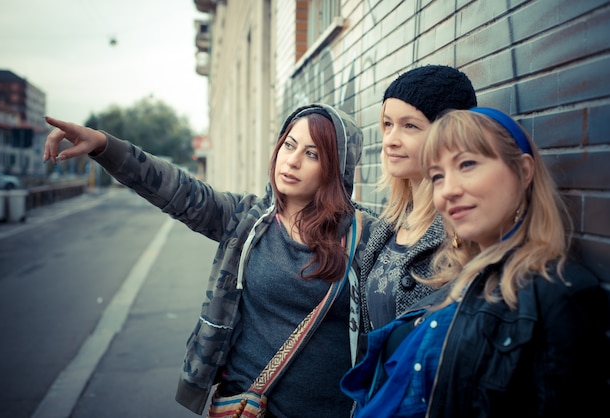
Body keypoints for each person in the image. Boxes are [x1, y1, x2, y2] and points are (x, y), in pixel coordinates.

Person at [43, 103, 376, 418]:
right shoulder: (248, 220)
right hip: (245, 404)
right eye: (289, 145)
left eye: (312, 154)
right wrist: (103, 145)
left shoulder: (366, 236)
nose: (291, 161)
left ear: (335, 169)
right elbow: (178, 190)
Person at [340, 108, 609, 417]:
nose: (449, 190)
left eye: (467, 164)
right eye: (437, 176)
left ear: (523, 172)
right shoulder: (459, 282)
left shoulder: (559, 296)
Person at [359, 65, 477, 338]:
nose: (389, 140)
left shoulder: (464, 233)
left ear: (449, 134)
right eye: (387, 125)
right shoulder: (388, 225)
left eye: (410, 126)